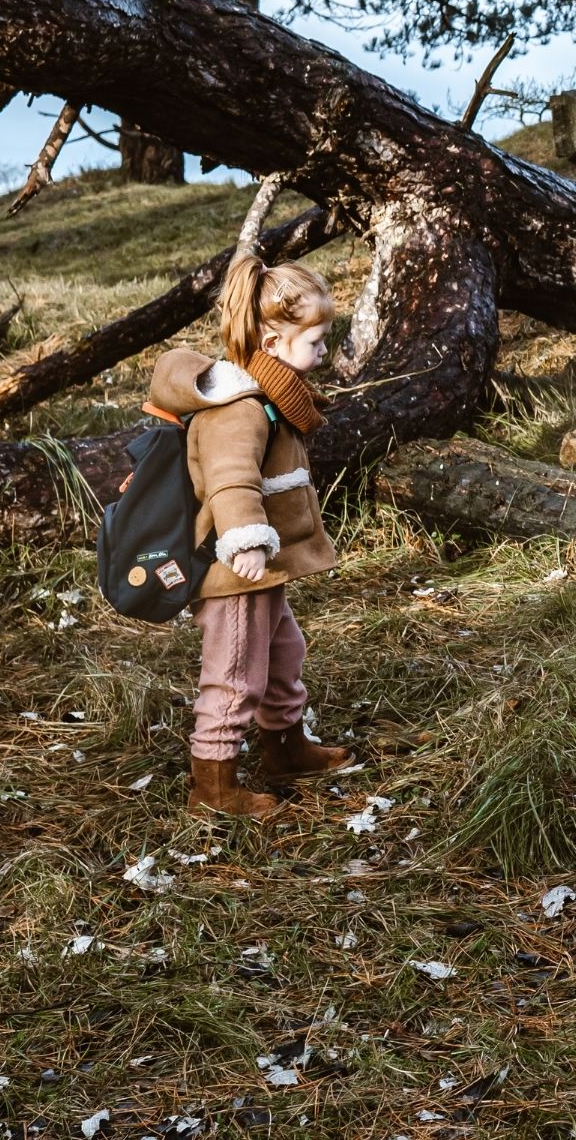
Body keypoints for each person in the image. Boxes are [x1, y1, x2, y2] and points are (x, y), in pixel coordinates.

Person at [147, 253, 354, 817]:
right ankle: (214, 788)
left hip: (264, 568)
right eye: (315, 341)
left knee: (284, 652)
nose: (323, 352)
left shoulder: (273, 394)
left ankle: (285, 748)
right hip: (236, 569)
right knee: (235, 673)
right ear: (271, 343)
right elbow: (231, 479)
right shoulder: (238, 407)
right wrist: (247, 540)